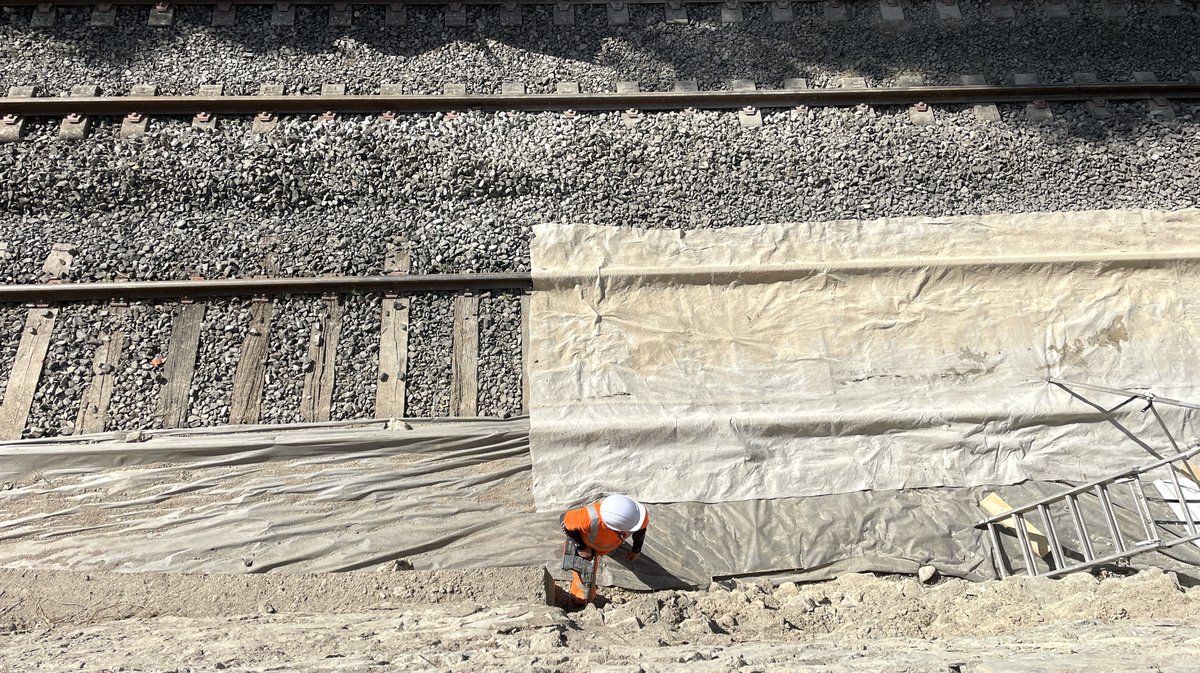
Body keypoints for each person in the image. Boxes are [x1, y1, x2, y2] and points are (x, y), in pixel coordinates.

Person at [560, 494, 649, 605]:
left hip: (607, 543)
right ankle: (579, 602)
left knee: (608, 547)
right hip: (588, 545)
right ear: (615, 528)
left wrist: (636, 550)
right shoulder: (588, 518)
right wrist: (582, 547)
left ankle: (607, 550)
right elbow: (564, 521)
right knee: (584, 582)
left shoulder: (637, 516)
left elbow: (640, 530)